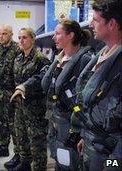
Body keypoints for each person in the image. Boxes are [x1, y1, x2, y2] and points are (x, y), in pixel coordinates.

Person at [75, 0, 122, 170]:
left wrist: (113, 164)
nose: (90, 24)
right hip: (92, 144)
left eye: (95, 20)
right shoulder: (104, 53)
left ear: (112, 24)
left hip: (111, 156)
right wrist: (84, 136)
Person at [41, 19, 92, 170]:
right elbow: (46, 85)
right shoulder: (59, 60)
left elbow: (86, 102)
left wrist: (81, 132)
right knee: (60, 161)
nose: (53, 37)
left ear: (70, 35)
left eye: (57, 33)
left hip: (71, 125)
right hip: (56, 122)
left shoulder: (85, 61)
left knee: (71, 163)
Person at [9, 27, 50, 171]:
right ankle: (25, 163)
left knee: (36, 140)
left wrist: (24, 87)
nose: (21, 40)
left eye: (24, 37)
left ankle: (39, 167)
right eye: (19, 37)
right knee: (21, 135)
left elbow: (42, 79)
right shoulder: (19, 58)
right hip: (20, 105)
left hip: (35, 107)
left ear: (33, 39)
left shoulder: (40, 59)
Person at [0, 24, 22, 159]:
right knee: (0, 120)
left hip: (12, 92)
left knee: (14, 124)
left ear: (11, 34)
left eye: (4, 34)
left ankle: (18, 154)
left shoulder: (17, 49)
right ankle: (3, 147)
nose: (1, 36)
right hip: (0, 91)